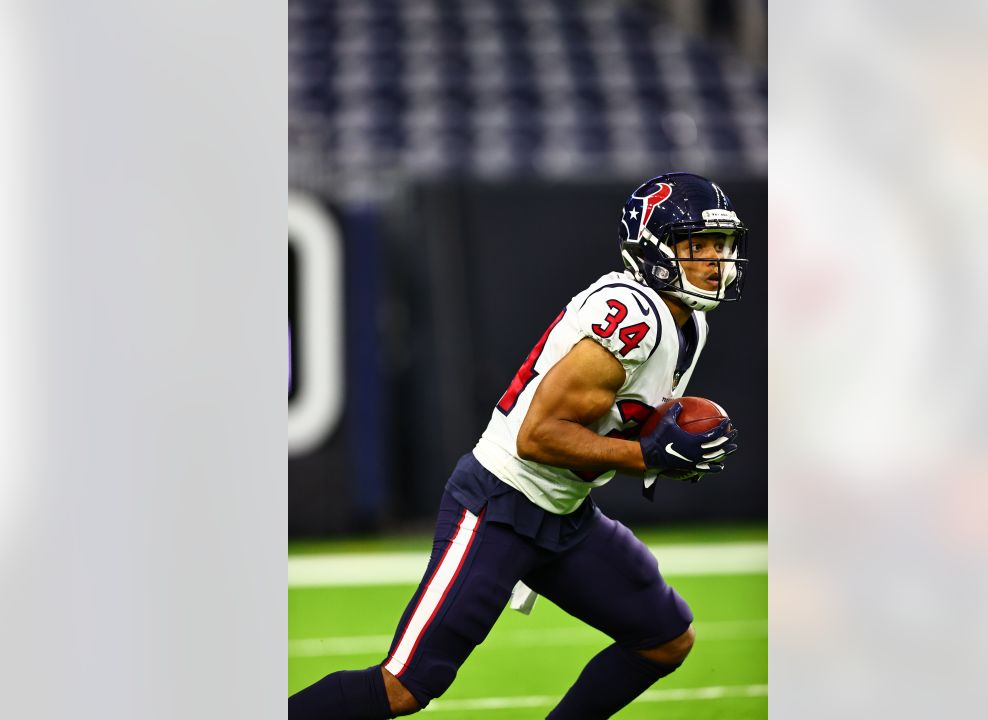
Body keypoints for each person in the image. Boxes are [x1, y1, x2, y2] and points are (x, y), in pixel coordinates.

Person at [289, 172, 748, 719]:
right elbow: (538, 436)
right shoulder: (633, 317)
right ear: (653, 247)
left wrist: (662, 443)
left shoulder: (688, 321)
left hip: (565, 513)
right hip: (500, 504)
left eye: (722, 246)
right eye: (699, 245)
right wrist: (648, 456)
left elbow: (618, 421)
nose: (715, 261)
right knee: (404, 688)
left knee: (665, 638)